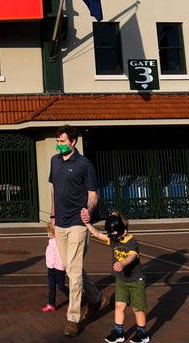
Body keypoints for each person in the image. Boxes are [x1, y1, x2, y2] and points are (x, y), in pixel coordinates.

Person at [48, 124, 106, 337]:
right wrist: (53, 217)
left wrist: (88, 211)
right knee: (72, 268)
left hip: (78, 224)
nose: (59, 144)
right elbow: (54, 189)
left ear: (73, 142)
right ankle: (97, 298)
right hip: (61, 223)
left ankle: (73, 319)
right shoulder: (54, 161)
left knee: (73, 272)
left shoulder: (84, 164)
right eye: (57, 141)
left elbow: (92, 194)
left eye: (63, 141)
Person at [81, 208, 149, 343]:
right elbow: (98, 235)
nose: (113, 239)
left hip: (136, 281)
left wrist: (122, 263)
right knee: (119, 306)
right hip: (121, 280)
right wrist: (87, 223)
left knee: (137, 308)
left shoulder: (132, 242)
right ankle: (118, 332)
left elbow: (131, 257)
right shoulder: (114, 238)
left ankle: (142, 333)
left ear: (124, 231)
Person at [44, 222, 70, 312]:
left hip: (59, 267)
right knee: (52, 286)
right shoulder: (51, 241)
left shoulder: (60, 242)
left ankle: (73, 300)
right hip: (51, 266)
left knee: (61, 286)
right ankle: (51, 304)